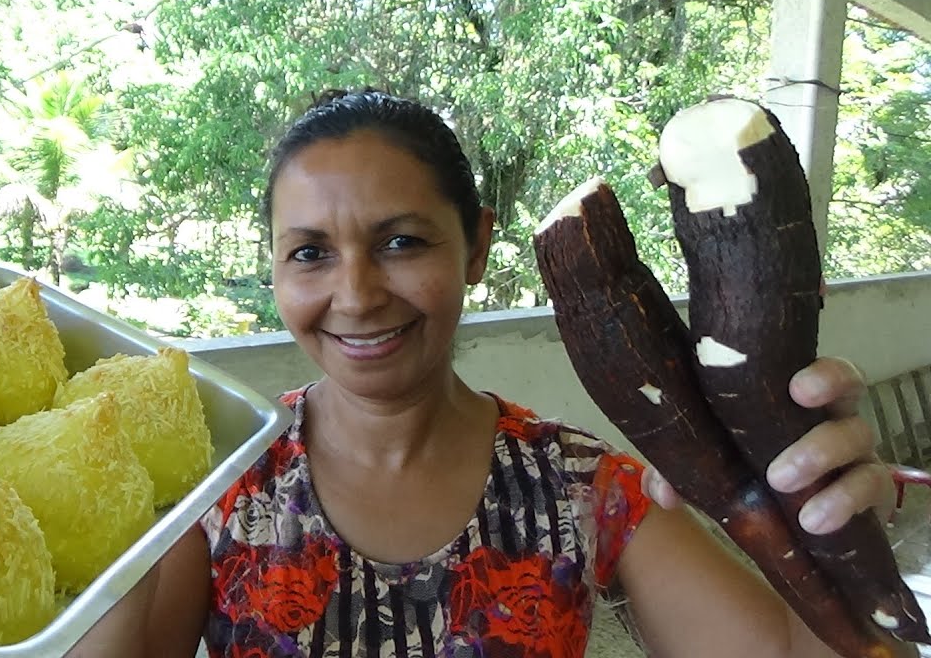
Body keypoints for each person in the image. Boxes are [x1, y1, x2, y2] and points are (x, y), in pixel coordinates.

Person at [68, 89, 909, 658]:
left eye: (402, 241)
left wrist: (822, 529)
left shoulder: (582, 486)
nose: (355, 295)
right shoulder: (219, 481)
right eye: (311, 253)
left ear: (475, 245)